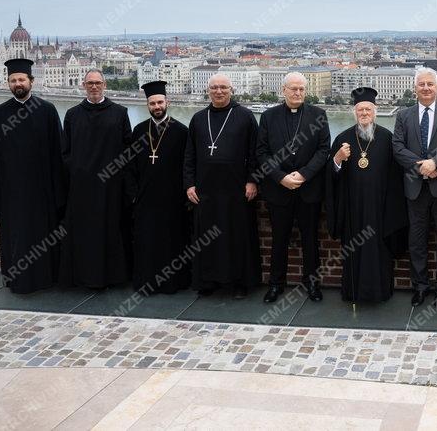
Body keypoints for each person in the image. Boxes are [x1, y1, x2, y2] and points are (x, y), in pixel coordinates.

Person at [0, 58, 65, 294]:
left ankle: (46, 279)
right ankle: (17, 281)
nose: (18, 83)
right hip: (11, 193)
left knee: (43, 238)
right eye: (13, 80)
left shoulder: (47, 110)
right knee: (16, 239)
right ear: (8, 84)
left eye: (22, 79)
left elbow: (59, 154)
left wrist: (59, 194)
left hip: (41, 191)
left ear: (31, 81)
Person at [392, 67, 437, 308]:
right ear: (415, 88)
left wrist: (436, 164)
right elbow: (398, 147)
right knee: (417, 240)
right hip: (415, 188)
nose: (426, 88)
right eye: (421, 84)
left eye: (430, 85)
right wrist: (423, 167)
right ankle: (420, 287)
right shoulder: (403, 115)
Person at [184, 73, 262, 298]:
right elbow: (189, 155)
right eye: (214, 88)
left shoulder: (246, 117)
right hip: (205, 191)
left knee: (236, 237)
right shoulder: (198, 118)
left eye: (223, 88)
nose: (219, 92)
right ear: (208, 91)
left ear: (231, 90)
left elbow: (255, 153)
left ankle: (239, 283)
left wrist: (252, 180)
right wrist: (189, 184)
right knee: (206, 238)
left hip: (236, 190)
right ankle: (207, 281)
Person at [327, 87, 407, 303]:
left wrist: (390, 207)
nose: (364, 114)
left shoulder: (388, 138)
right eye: (360, 110)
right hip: (353, 210)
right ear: (354, 112)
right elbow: (331, 177)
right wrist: (337, 158)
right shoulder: (343, 139)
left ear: (375, 112)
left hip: (380, 210)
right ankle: (353, 292)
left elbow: (397, 177)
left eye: (368, 110)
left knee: (379, 252)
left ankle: (380, 292)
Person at [256, 72, 331, 303]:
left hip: (308, 189)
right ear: (284, 90)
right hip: (279, 190)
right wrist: (280, 177)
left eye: (301, 89)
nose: (298, 93)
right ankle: (275, 285)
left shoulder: (319, 115)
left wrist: (304, 174)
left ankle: (312, 284)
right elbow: (261, 152)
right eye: (293, 89)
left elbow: (323, 149)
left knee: (311, 239)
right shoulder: (268, 117)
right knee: (279, 239)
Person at [59, 68, 131, 289]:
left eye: (97, 83)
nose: (94, 86)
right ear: (84, 85)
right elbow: (65, 151)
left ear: (105, 85)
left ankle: (112, 277)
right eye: (90, 83)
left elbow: (127, 148)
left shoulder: (120, 112)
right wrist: (79, 172)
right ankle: (83, 277)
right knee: (84, 233)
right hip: (82, 187)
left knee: (111, 229)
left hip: (111, 186)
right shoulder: (72, 114)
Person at [127, 81, 191, 294]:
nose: (157, 106)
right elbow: (128, 167)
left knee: (171, 242)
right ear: (147, 105)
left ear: (167, 102)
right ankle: (146, 283)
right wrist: (134, 194)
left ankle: (173, 283)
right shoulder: (138, 131)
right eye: (152, 103)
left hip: (172, 199)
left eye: (160, 102)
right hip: (144, 199)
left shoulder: (181, 132)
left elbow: (187, 166)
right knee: (146, 242)